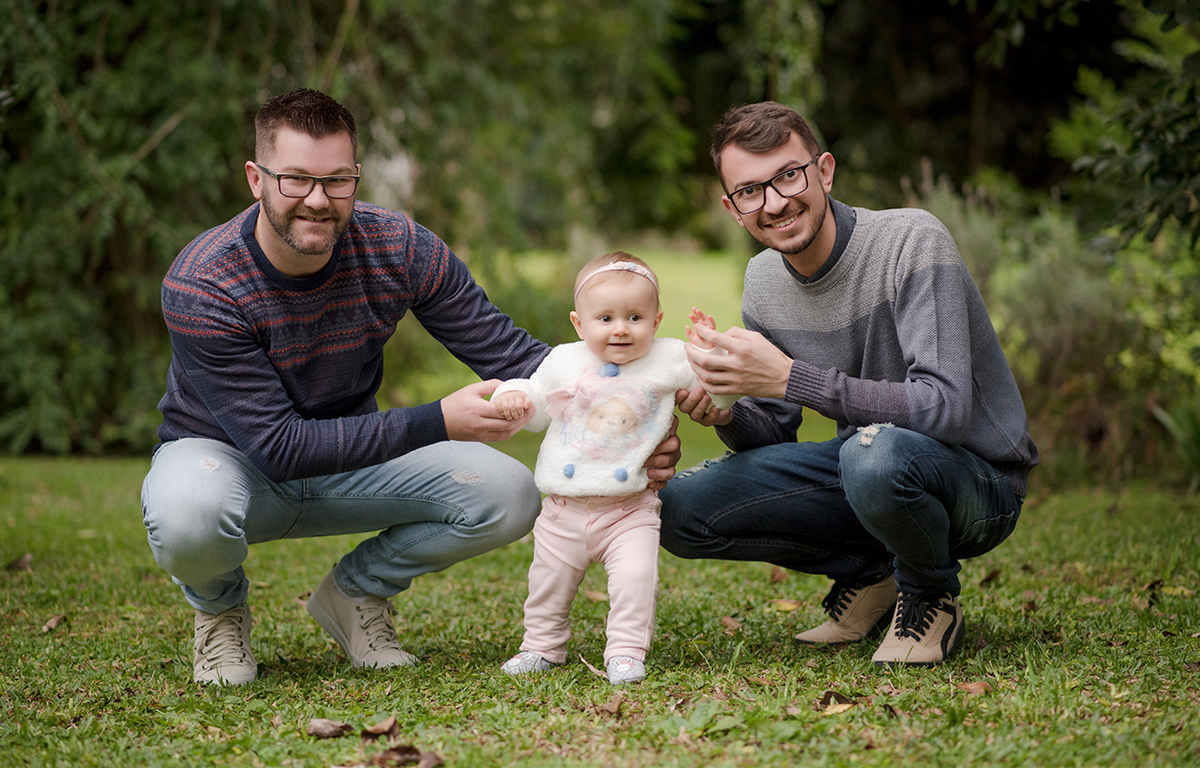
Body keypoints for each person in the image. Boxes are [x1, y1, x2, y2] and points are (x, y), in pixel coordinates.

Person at [139, 89, 681, 686]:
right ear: (256, 179)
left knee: (509, 494)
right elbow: (277, 446)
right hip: (231, 462)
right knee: (188, 513)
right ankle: (219, 611)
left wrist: (628, 418)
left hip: (350, 457)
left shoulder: (398, 246)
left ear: (355, 177)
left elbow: (516, 358)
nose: (317, 199)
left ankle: (354, 593)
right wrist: (438, 421)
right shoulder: (204, 282)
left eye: (336, 180)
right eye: (295, 179)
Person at [660, 101, 1038, 667]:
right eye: (750, 191)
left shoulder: (910, 240)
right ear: (733, 208)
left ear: (825, 171)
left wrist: (792, 377)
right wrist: (728, 412)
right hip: (866, 469)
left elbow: (946, 408)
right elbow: (773, 436)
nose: (775, 202)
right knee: (677, 507)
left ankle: (929, 592)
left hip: (978, 480)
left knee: (871, 454)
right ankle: (872, 574)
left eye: (789, 175)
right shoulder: (763, 280)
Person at [490, 253, 735, 685]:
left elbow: (716, 393)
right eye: (605, 318)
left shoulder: (669, 357)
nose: (620, 328)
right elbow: (537, 404)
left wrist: (712, 355)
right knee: (547, 582)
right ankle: (542, 646)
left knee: (635, 580)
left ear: (656, 321)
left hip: (630, 508)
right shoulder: (564, 360)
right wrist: (513, 397)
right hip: (564, 508)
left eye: (634, 317)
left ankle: (625, 650)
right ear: (579, 324)